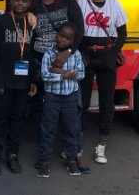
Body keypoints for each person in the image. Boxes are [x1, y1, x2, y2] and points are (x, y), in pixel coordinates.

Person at [29, 0, 87, 171]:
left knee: (72, 113)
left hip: (65, 58)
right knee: (45, 113)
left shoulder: (67, 0)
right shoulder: (34, 3)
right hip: (39, 61)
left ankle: (74, 154)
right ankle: (45, 155)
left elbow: (79, 29)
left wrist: (67, 53)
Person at [77, 0, 128, 165]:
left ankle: (101, 145)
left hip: (106, 55)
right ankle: (77, 144)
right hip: (87, 55)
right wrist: (80, 52)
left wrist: (113, 52)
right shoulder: (81, 2)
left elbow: (122, 32)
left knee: (107, 102)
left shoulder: (114, 3)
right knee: (82, 101)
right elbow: (75, 28)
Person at [0, 0, 38, 176]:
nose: (20, 3)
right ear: (10, 0)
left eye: (24, 1)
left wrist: (32, 79)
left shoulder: (30, 23)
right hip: (4, 83)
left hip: (23, 84)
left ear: (29, 3)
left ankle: (12, 155)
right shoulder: (1, 22)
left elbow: (31, 54)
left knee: (17, 120)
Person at [36, 22, 85, 178]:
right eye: (60, 36)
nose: (62, 39)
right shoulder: (48, 54)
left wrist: (58, 71)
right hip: (52, 98)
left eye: (66, 38)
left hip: (70, 98)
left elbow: (81, 74)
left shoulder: (76, 55)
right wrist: (66, 75)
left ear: (71, 41)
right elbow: (45, 75)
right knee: (47, 130)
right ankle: (44, 161)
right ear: (56, 35)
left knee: (71, 129)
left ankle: (71, 160)